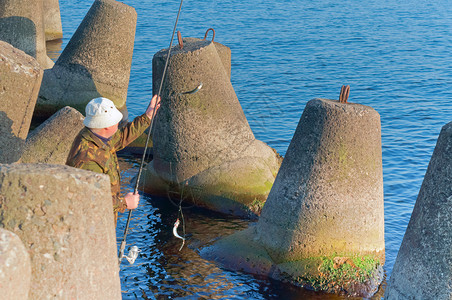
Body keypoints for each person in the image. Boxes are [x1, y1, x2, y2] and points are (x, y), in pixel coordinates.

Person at [66, 95, 160, 225]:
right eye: (116, 120)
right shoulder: (87, 159)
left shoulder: (96, 136)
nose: (118, 122)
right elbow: (91, 198)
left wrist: (147, 117)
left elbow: (122, 137)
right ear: (106, 127)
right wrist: (124, 203)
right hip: (93, 227)